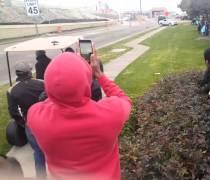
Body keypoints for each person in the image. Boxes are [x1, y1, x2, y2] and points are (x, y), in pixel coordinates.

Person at [27, 51, 132, 180]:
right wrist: (100, 75)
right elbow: (124, 99)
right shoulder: (110, 114)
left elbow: (51, 99)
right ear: (87, 81)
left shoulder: (35, 116)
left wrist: (60, 87)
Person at [6, 62, 46, 178]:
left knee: (38, 153)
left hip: (31, 124)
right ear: (28, 72)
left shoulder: (12, 90)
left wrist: (23, 124)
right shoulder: (41, 83)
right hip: (46, 120)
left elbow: (13, 112)